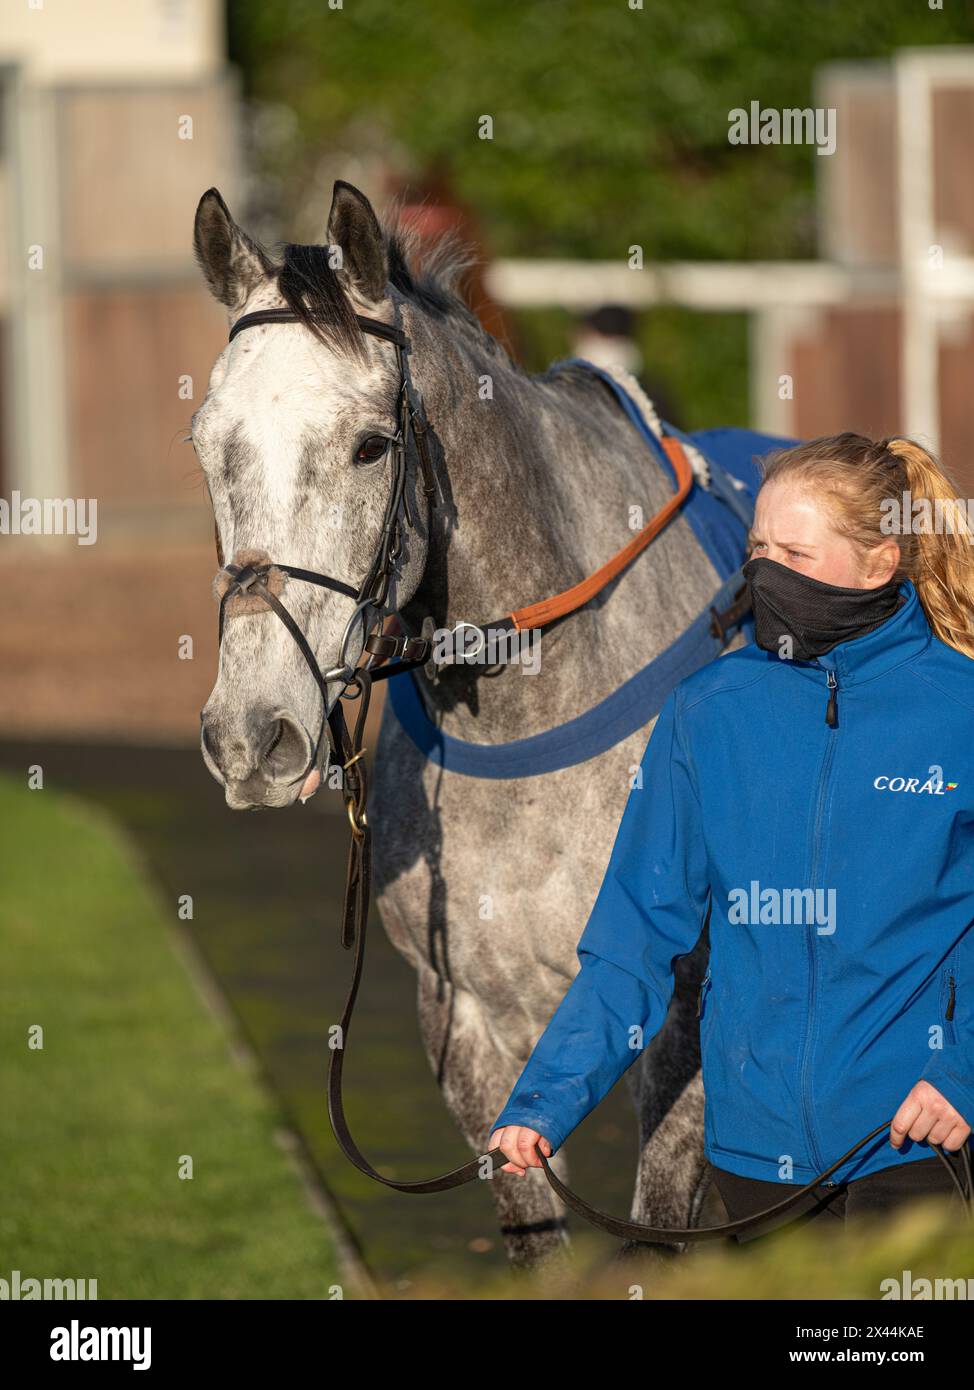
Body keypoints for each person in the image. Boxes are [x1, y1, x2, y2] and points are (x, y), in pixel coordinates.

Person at [488, 432, 974, 1238]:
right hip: (754, 1157)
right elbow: (633, 934)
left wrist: (962, 1073)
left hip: (921, 1140)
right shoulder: (706, 710)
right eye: (757, 547)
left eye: (796, 551)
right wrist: (545, 1100)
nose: (766, 571)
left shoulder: (959, 708)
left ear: (881, 561)